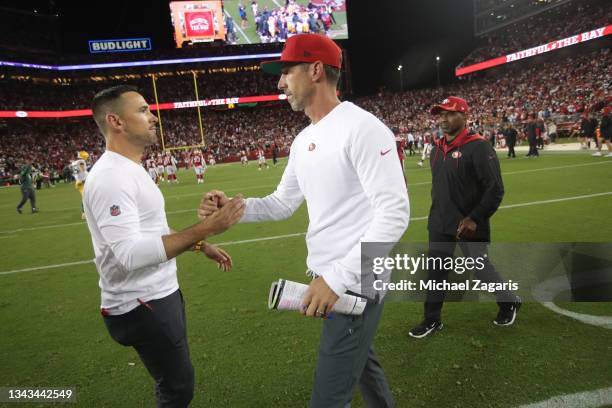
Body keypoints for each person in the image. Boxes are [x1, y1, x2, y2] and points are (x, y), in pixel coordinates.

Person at [198, 34, 409, 408]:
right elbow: (282, 203)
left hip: (354, 281)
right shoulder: (303, 140)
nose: (280, 83)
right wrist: (231, 208)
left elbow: (394, 213)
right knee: (362, 365)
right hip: (331, 278)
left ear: (315, 71)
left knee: (328, 398)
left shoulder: (363, 128)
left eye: (286, 71)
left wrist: (337, 279)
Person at [85, 85, 245, 408]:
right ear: (116, 121)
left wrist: (201, 245)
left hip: (155, 295)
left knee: (176, 383)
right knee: (178, 388)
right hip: (141, 302)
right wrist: (208, 226)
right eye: (143, 110)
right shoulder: (110, 178)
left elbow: (154, 232)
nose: (153, 116)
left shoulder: (130, 168)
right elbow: (130, 255)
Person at [408, 96, 521, 339]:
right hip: (439, 221)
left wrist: (475, 217)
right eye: (441, 114)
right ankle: (432, 319)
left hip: (468, 223)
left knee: (480, 269)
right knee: (436, 271)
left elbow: (495, 189)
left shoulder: (479, 146)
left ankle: (508, 301)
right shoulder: (437, 148)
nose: (444, 119)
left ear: (464, 116)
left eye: (450, 113)